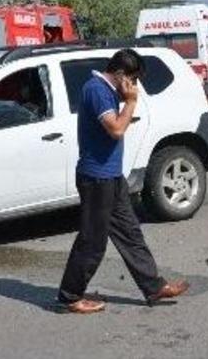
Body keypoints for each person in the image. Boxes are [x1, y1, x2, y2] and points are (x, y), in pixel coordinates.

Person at [58, 49, 189, 314]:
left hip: (111, 177)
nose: (135, 86)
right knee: (92, 241)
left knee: (130, 233)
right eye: (133, 79)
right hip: (96, 178)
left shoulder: (107, 89)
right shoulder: (96, 90)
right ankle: (70, 295)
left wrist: (127, 98)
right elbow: (116, 129)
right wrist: (130, 102)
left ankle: (153, 286)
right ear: (119, 75)